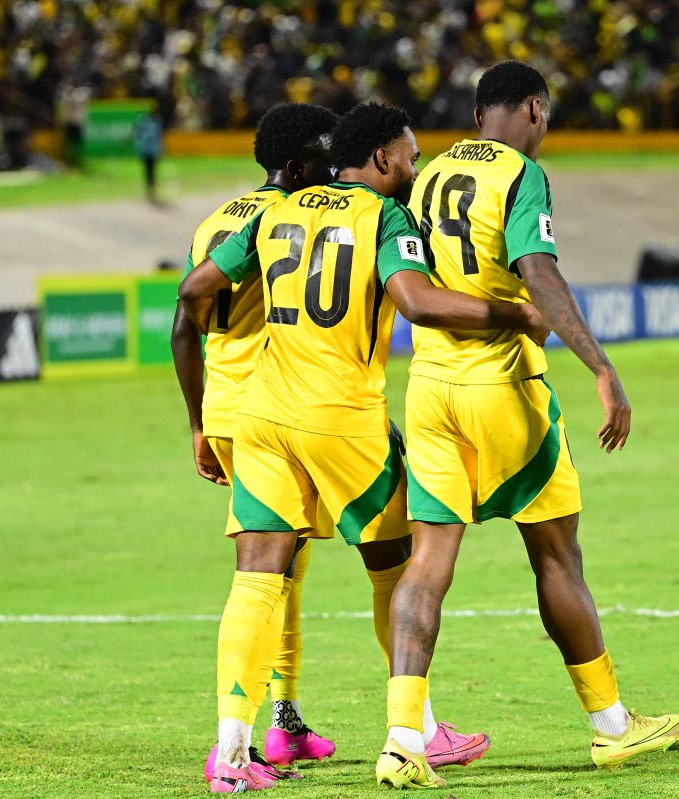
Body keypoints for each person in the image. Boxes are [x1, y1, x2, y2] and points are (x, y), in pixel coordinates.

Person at [178, 102, 545, 793]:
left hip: (262, 415)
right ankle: (420, 727)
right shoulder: (383, 216)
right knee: (398, 565)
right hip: (342, 415)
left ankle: (229, 752)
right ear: (381, 159)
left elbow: (194, 290)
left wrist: (217, 389)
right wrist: (519, 313)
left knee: (256, 578)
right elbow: (418, 302)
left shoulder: (272, 211)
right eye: (409, 155)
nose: (415, 167)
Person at [376, 61, 679, 789]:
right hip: (501, 385)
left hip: (428, 388)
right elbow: (537, 268)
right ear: (535, 110)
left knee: (426, 565)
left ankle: (400, 737)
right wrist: (599, 365)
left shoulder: (426, 172)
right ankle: (612, 725)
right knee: (555, 556)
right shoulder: (519, 173)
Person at [171, 103, 342, 784]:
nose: (335, 170)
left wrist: (197, 421)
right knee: (267, 569)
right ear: (298, 166)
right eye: (325, 159)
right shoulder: (290, 219)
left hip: (228, 408)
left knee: (284, 564)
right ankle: (236, 743)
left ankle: (284, 720)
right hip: (275, 410)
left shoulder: (216, 220)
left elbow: (185, 327)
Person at [134, 104, 163, 202]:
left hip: (152, 150)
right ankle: (149, 189)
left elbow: (159, 137)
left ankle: (151, 189)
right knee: (148, 171)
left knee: (151, 171)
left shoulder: (157, 122)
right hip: (146, 150)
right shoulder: (144, 121)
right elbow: (138, 133)